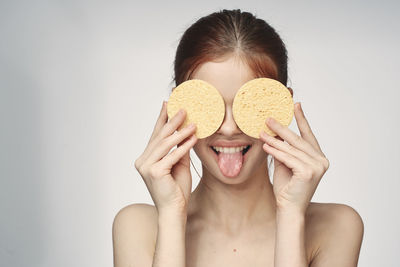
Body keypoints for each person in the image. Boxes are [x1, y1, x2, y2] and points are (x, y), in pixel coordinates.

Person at [112, 9, 364, 267]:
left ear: (282, 105)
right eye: (211, 107)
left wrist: (290, 215)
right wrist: (171, 216)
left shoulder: (336, 227)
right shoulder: (138, 227)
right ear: (180, 108)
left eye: (250, 106)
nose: (230, 128)